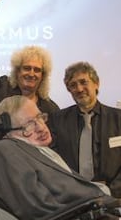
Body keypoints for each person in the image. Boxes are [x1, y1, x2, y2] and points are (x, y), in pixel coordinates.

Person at [0, 0, 59, 137]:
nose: (31, 73)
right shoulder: (0, 89)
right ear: (17, 71)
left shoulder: (50, 109)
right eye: (27, 68)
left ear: (43, 76)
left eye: (37, 70)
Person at [48, 62, 121, 197]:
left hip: (115, 196)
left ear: (96, 83)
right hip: (72, 196)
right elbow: (52, 159)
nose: (79, 89)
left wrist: (111, 191)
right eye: (73, 85)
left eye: (83, 82)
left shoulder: (118, 119)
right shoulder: (57, 120)